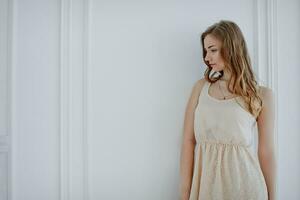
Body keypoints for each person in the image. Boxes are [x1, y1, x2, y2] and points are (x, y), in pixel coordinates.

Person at [179, 20, 277, 200]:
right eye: (206, 51)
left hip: (248, 188)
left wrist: (273, 197)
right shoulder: (200, 88)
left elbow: (266, 152)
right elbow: (188, 141)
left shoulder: (262, 95)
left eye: (213, 50)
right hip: (205, 189)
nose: (207, 58)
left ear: (231, 47)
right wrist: (184, 193)